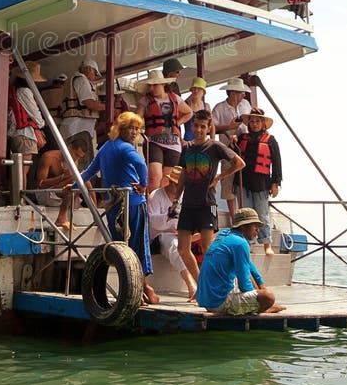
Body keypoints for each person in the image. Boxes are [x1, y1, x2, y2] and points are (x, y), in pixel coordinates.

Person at [82, 111, 159, 304]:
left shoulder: (106, 147)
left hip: (114, 206)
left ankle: (138, 289)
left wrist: (74, 185)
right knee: (135, 248)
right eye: (130, 128)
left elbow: (90, 171)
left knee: (120, 248)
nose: (134, 132)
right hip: (131, 203)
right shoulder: (125, 148)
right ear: (120, 129)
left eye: (136, 129)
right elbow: (142, 165)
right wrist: (143, 185)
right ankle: (139, 288)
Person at [176, 109, 244, 286]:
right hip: (188, 204)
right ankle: (201, 285)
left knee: (208, 248)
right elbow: (183, 173)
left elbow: (239, 163)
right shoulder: (187, 148)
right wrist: (176, 199)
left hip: (209, 204)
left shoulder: (215, 146)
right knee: (182, 248)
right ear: (192, 125)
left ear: (208, 128)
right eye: (196, 125)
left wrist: (220, 177)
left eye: (203, 126)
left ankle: (221, 284)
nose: (199, 129)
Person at [196, 207, 285, 315]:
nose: (258, 229)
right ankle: (261, 309)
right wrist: (263, 300)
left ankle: (257, 304)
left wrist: (261, 287)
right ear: (243, 226)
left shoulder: (225, 235)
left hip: (206, 301)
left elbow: (249, 266)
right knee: (268, 297)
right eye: (255, 226)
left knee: (262, 292)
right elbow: (244, 284)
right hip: (219, 303)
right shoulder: (240, 243)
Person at [234, 106, 282, 257]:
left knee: (262, 214)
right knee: (246, 215)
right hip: (244, 182)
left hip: (261, 183)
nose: (254, 124)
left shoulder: (270, 140)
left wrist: (276, 183)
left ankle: (266, 243)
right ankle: (248, 243)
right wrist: (232, 141)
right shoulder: (242, 139)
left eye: (257, 121)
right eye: (252, 121)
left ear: (263, 123)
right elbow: (233, 154)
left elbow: (277, 162)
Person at [136, 68, 192, 192]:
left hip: (173, 144)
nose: (151, 88)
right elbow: (137, 118)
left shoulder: (175, 98)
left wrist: (177, 123)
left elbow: (189, 112)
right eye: (150, 85)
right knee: (154, 177)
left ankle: (162, 209)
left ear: (163, 84)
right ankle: (152, 206)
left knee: (166, 180)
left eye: (154, 85)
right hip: (153, 142)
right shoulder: (145, 101)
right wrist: (136, 125)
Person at [148, 166, 197, 300]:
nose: (178, 187)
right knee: (174, 244)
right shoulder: (156, 196)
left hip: (181, 234)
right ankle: (190, 283)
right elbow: (152, 222)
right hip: (158, 238)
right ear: (170, 182)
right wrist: (168, 217)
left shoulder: (185, 197)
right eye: (177, 184)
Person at [211, 78, 252, 222]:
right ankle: (234, 217)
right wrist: (229, 127)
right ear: (232, 93)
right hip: (227, 148)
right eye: (241, 93)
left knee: (245, 182)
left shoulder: (246, 105)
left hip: (245, 147)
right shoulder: (219, 108)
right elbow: (212, 127)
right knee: (228, 183)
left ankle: (245, 215)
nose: (243, 96)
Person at [59, 57, 105, 166]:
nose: (94, 77)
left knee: (75, 159)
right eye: (95, 73)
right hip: (77, 128)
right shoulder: (82, 80)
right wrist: (107, 107)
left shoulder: (78, 80)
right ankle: (79, 181)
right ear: (88, 69)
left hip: (77, 127)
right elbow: (88, 102)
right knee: (78, 159)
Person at [35, 139, 88, 230]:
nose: (76, 159)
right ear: (69, 148)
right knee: (72, 183)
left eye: (79, 157)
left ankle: (95, 209)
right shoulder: (49, 157)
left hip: (62, 195)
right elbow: (41, 184)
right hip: (45, 193)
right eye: (75, 155)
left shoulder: (75, 161)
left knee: (84, 179)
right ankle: (61, 218)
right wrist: (62, 177)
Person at [8, 61, 47, 156]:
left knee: (18, 168)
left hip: (17, 134)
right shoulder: (25, 91)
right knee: (24, 169)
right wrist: (42, 124)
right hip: (26, 135)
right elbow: (36, 115)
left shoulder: (16, 90)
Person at [183, 76, 215, 143]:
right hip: (188, 140)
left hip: (202, 139)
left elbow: (212, 126)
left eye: (199, 89)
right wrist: (180, 139)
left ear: (203, 92)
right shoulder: (185, 104)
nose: (196, 91)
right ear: (191, 90)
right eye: (194, 89)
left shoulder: (206, 106)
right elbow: (177, 122)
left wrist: (213, 141)